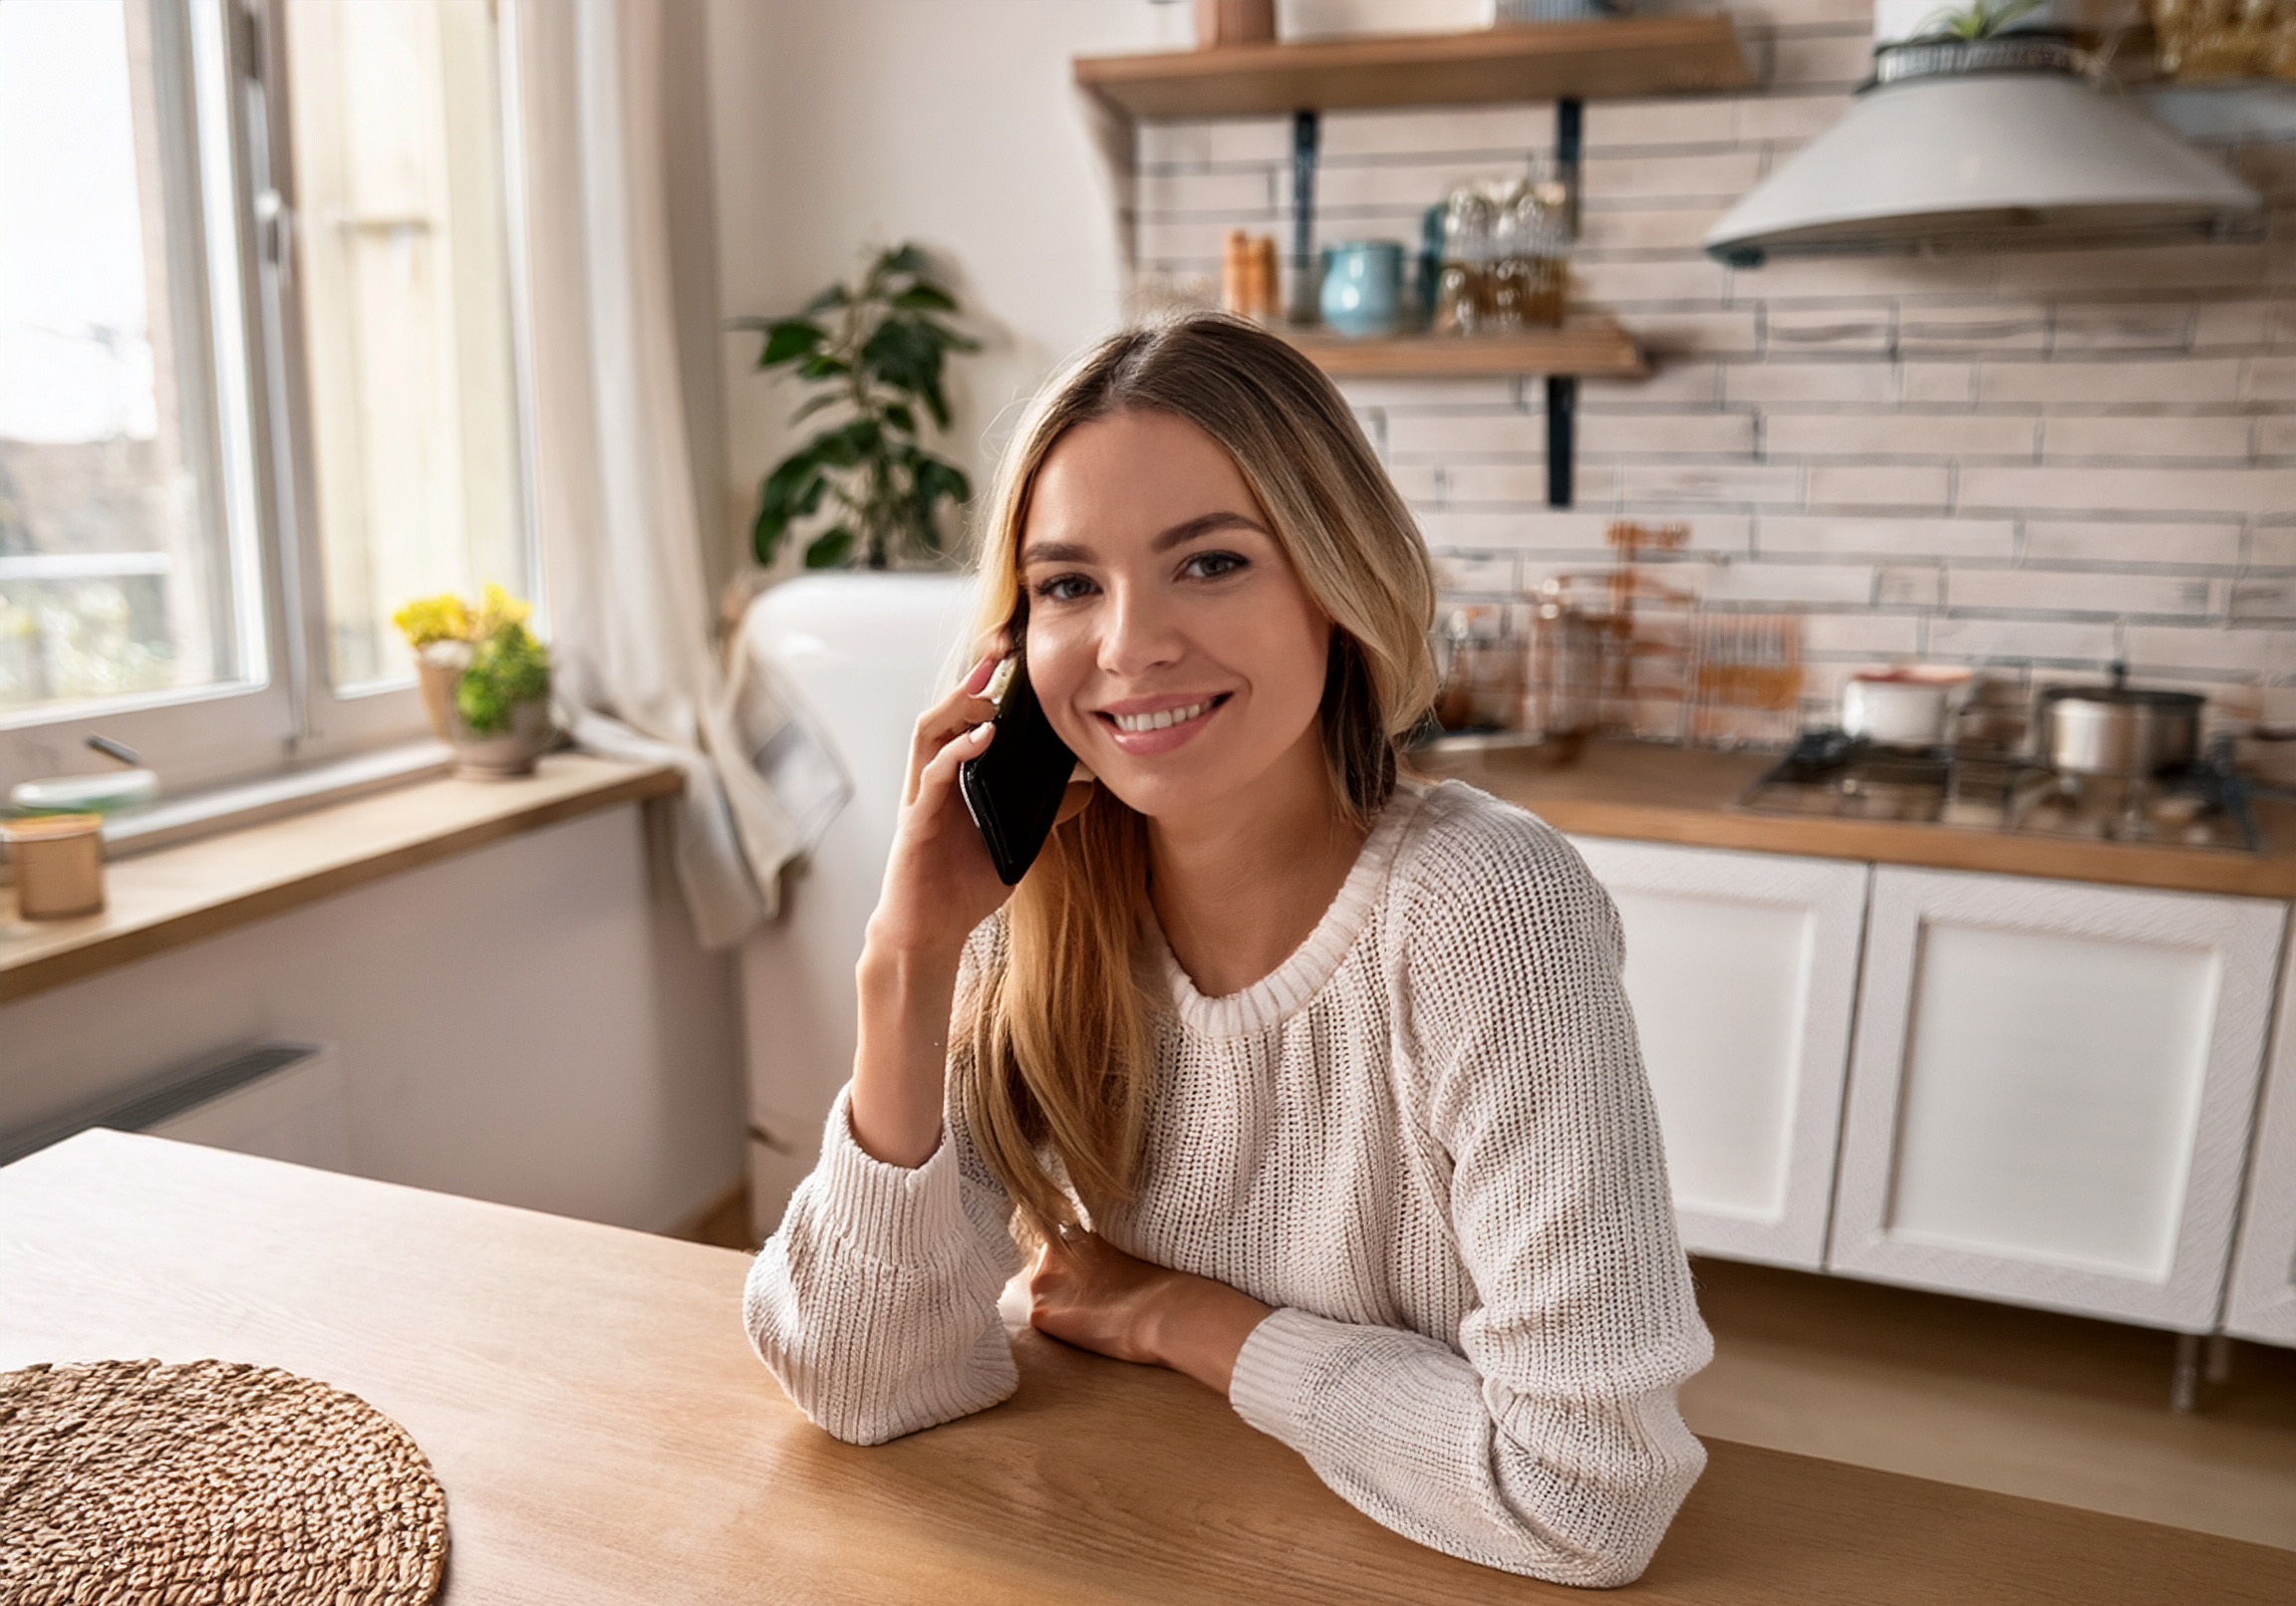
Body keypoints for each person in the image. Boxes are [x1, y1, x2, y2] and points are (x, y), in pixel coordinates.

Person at [743, 313, 1711, 1588]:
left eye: (1209, 563)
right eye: (1068, 584)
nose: (1130, 643)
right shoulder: (1037, 914)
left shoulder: (1488, 912)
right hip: (1152, 1540)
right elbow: (864, 1383)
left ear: (1335, 580)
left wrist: (1183, 1317)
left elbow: (1590, 1491)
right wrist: (907, 958)